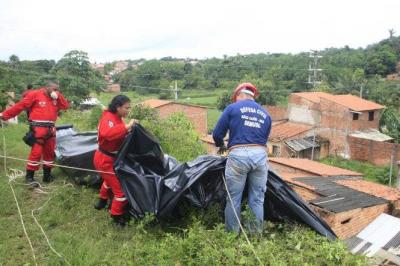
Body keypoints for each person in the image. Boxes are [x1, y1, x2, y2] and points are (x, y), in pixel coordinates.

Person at [212, 82, 272, 234]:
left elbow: (217, 134)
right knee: (258, 199)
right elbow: (263, 139)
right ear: (252, 96)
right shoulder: (266, 114)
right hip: (260, 156)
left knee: (233, 198)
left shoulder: (232, 108)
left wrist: (221, 146)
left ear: (239, 95)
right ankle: (255, 235)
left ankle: (232, 235)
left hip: (238, 156)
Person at [0, 80, 69, 187]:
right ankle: (29, 177)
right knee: (36, 154)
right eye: (54, 89)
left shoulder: (56, 98)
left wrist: (58, 96)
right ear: (47, 87)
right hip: (38, 129)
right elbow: (20, 106)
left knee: (50, 153)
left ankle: (47, 176)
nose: (57, 91)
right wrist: (4, 115)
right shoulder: (35, 94)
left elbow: (65, 106)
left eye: (58, 89)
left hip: (51, 129)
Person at [93, 95, 136, 227]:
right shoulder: (108, 119)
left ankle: (101, 201)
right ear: (118, 107)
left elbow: (119, 135)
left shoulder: (118, 118)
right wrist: (127, 127)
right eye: (126, 108)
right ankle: (116, 216)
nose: (128, 111)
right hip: (104, 159)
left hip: (111, 158)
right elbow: (108, 134)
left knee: (108, 180)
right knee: (120, 192)